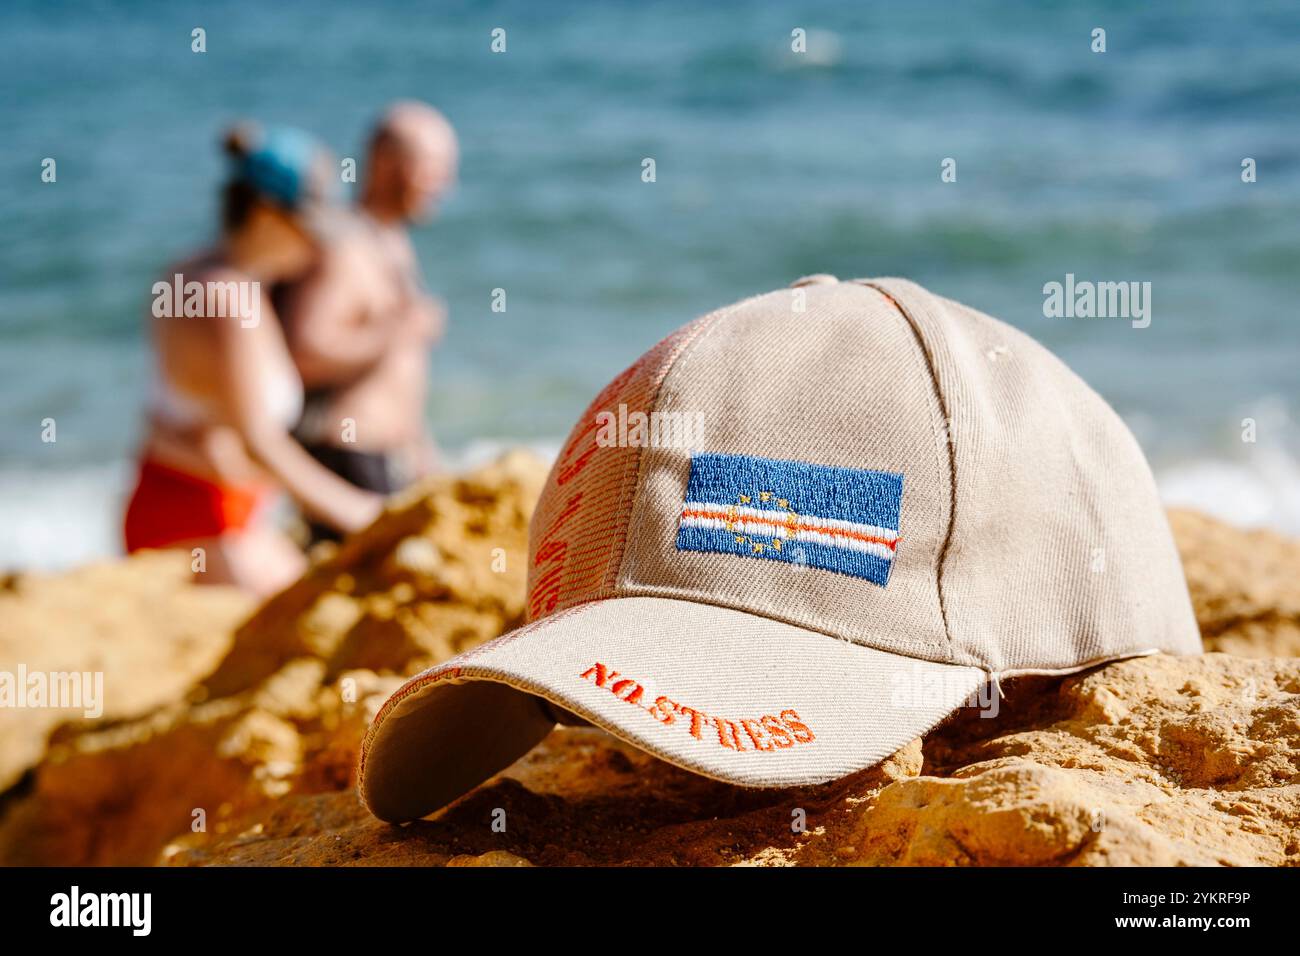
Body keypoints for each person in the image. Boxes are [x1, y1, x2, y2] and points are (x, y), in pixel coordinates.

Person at [124, 124, 384, 595]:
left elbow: (182, 412)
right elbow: (259, 440)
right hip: (200, 522)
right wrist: (360, 511)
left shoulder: (195, 271)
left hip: (203, 510)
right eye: (311, 232)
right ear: (267, 215)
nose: (318, 248)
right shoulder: (226, 298)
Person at [276, 101, 458, 541]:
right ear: (386, 163)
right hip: (346, 459)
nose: (445, 183)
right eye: (432, 167)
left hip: (388, 458)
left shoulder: (390, 241)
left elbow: (398, 376)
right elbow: (304, 352)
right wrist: (398, 331)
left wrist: (422, 455)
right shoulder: (345, 247)